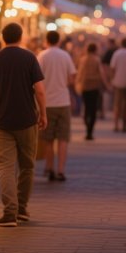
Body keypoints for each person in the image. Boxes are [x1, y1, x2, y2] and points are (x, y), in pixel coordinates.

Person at [0, 22, 47, 227]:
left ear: (3, 37)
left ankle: (9, 212)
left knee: (6, 167)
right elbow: (40, 90)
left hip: (1, 122)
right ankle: (22, 209)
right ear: (21, 37)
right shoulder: (29, 58)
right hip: (27, 120)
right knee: (27, 166)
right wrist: (43, 113)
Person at [37, 30, 76, 182]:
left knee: (48, 138)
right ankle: (61, 170)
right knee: (63, 138)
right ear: (59, 41)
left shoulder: (41, 56)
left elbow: (36, 79)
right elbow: (72, 77)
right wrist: (64, 84)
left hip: (47, 102)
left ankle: (49, 168)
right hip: (63, 101)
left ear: (46, 40)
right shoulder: (65, 55)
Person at [76, 42, 107, 140]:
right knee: (93, 109)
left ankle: (86, 125)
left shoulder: (83, 60)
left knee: (86, 107)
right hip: (95, 86)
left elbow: (80, 72)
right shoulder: (97, 59)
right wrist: (106, 84)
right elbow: (101, 73)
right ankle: (90, 131)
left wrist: (78, 83)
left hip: (85, 86)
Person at [109, 38, 126, 132]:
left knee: (117, 105)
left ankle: (116, 125)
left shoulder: (117, 53)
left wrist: (112, 79)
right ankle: (125, 125)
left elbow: (112, 68)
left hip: (117, 82)